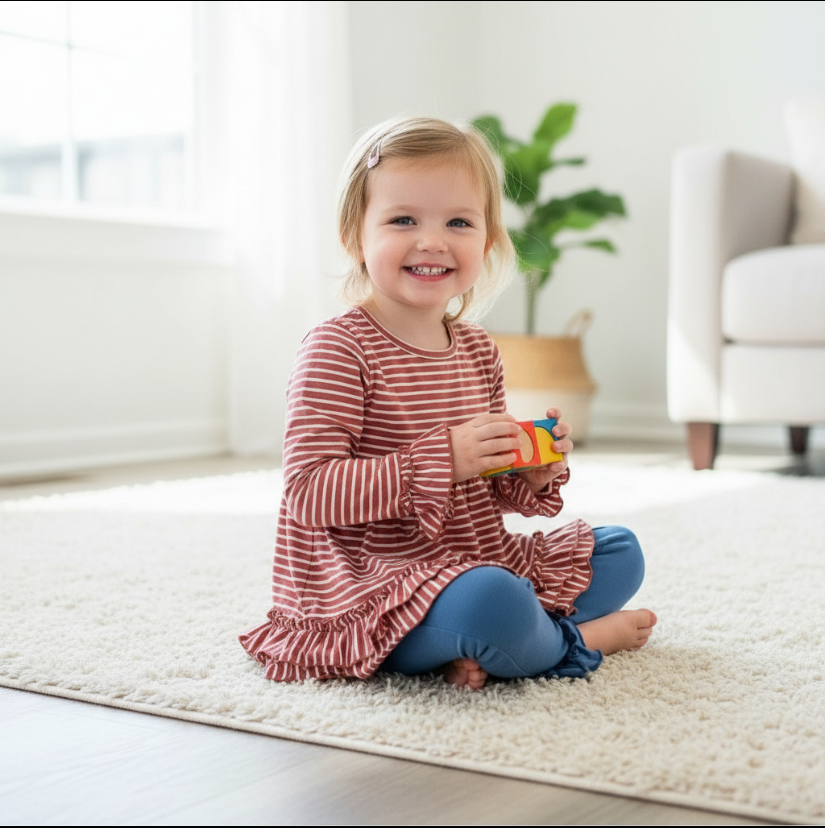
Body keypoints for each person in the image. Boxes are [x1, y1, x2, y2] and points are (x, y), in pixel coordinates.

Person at [239, 115, 656, 690]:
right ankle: (580, 640)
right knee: (490, 600)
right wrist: (444, 458)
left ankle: (493, 641)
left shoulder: (479, 349)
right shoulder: (338, 347)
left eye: (458, 221)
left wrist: (531, 472)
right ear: (353, 236)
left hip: (471, 560)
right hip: (375, 587)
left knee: (620, 552)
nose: (431, 241)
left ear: (485, 242)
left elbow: (482, 485)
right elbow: (309, 492)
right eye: (403, 219)